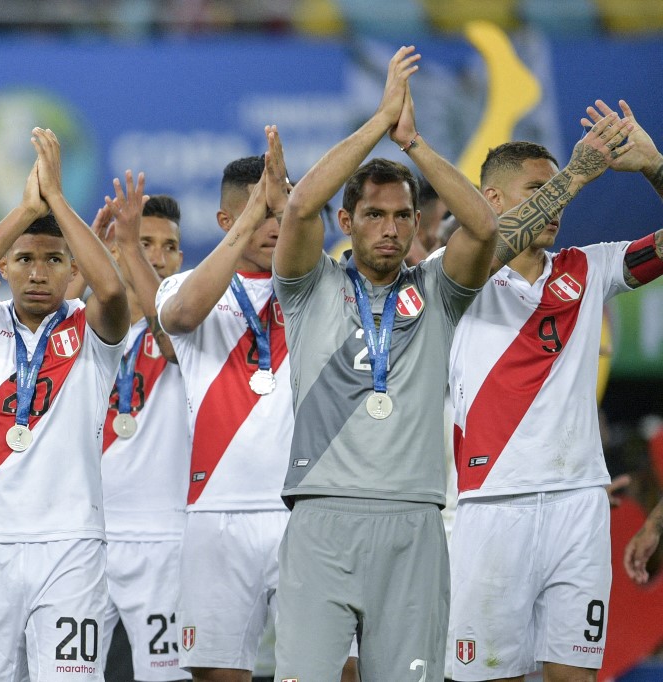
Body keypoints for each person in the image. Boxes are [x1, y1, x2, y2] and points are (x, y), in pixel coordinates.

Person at [270, 46, 501, 681]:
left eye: (403, 216)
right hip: (321, 515)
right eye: (374, 214)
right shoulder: (308, 287)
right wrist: (379, 121)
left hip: (415, 519)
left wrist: (415, 142)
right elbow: (297, 207)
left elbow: (482, 230)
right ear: (347, 221)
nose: (391, 229)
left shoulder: (436, 292)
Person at [447, 98, 655, 682]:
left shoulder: (589, 269)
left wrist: (652, 165)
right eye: (536, 189)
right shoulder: (458, 271)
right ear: (490, 200)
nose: (557, 204)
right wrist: (575, 175)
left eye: (557, 189)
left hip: (579, 508)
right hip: (492, 505)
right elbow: (484, 251)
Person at [0, 127, 128, 681]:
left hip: (71, 547)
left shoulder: (91, 333)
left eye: (52, 260)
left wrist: (58, 201)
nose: (38, 272)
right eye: (23, 259)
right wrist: (23, 212)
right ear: (3, 268)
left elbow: (113, 294)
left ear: (73, 271)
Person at [156, 126, 316, 682]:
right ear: (226, 221)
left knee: (330, 668)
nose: (274, 225)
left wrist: (290, 206)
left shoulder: (318, 288)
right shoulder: (181, 288)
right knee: (218, 674)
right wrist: (260, 209)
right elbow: (178, 321)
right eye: (258, 213)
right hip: (215, 513)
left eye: (281, 211)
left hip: (306, 509)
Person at [97, 177, 191, 681]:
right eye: (141, 243)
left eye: (169, 247)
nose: (156, 257)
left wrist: (132, 260)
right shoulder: (78, 329)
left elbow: (176, 338)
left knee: (166, 677)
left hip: (164, 538)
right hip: (85, 539)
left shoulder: (194, 327)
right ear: (111, 247)